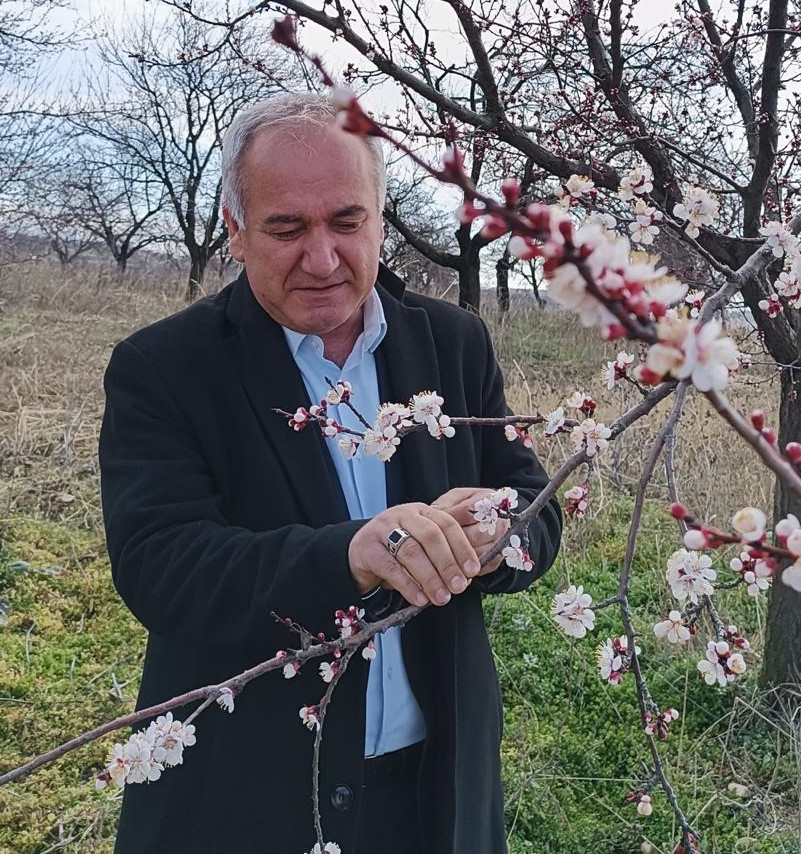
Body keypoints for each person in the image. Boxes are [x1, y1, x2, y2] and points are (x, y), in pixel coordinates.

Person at [98, 92, 562, 854]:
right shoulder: (164, 368)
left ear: (381, 219)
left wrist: (497, 534)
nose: (322, 259)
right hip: (248, 803)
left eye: (347, 222)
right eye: (287, 229)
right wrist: (349, 556)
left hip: (438, 796)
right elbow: (161, 565)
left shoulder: (453, 343)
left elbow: (535, 505)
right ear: (235, 231)